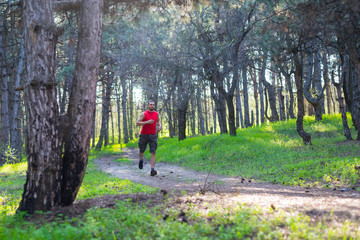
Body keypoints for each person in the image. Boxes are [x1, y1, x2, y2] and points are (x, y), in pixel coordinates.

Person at [136, 100, 162, 176]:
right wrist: (147, 122)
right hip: (144, 135)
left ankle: (152, 170)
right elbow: (137, 123)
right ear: (148, 106)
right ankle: (141, 160)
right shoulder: (143, 114)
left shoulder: (156, 114)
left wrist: (160, 126)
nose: (152, 106)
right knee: (141, 150)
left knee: (153, 152)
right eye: (150, 104)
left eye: (153, 105)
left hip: (153, 135)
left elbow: (158, 121)